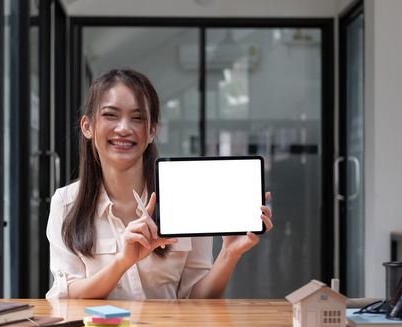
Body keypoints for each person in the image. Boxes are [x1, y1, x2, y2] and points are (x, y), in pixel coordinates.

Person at [45, 68, 273, 300]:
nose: (124, 128)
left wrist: (229, 253)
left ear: (152, 130)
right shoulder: (66, 203)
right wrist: (123, 262)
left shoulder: (188, 199)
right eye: (111, 115)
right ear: (87, 127)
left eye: (137, 118)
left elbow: (197, 299)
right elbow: (67, 296)